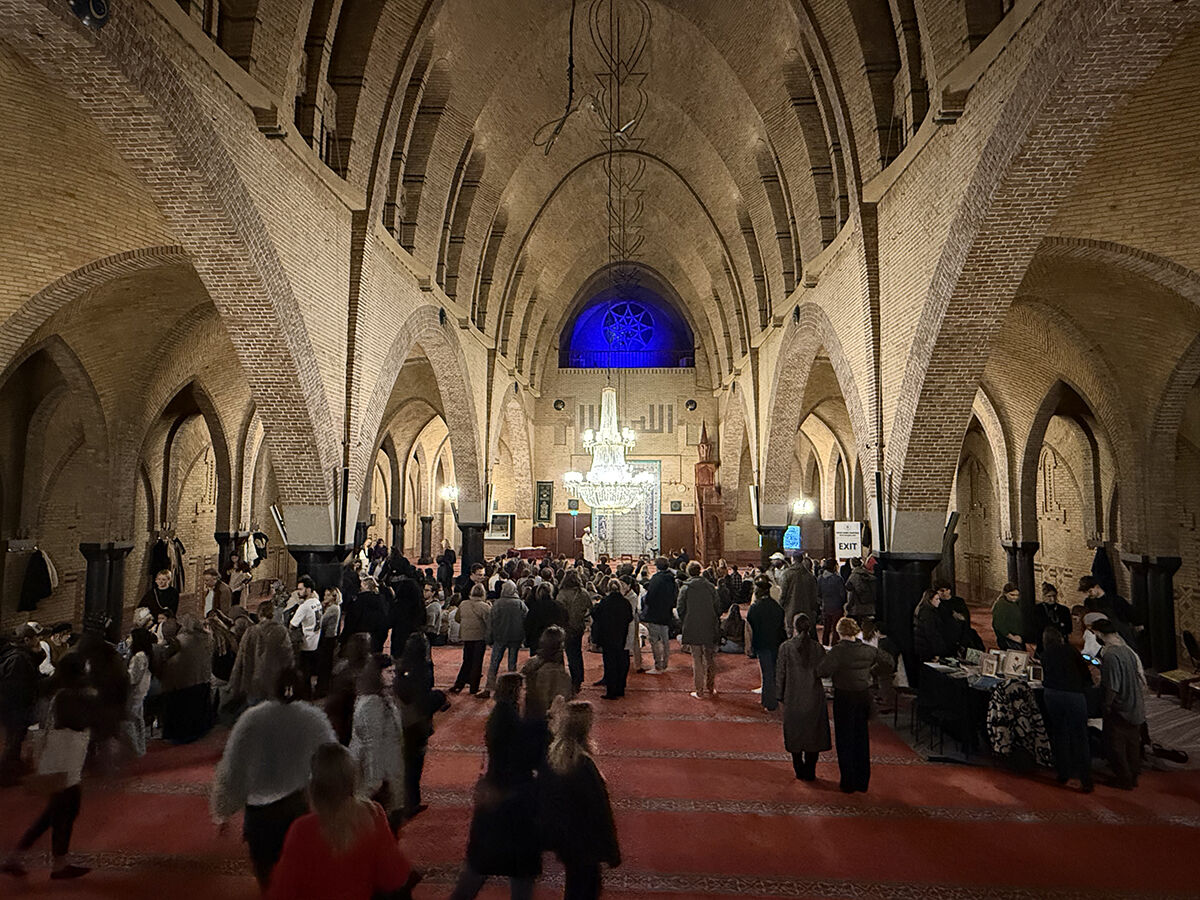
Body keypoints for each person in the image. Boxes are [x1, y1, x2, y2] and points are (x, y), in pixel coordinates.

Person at [212, 668, 337, 888]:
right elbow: (333, 763)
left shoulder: (251, 718)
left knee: (266, 874)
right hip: (299, 807)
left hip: (260, 812)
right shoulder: (314, 719)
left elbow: (234, 765)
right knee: (301, 873)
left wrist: (223, 809)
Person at [267, 742, 417, 900]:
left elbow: (282, 892)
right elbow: (393, 878)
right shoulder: (372, 815)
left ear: (312, 788)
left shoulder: (302, 830)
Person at [2, 653, 94, 880]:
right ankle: (55, 864)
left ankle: (22, 859)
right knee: (62, 811)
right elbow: (75, 723)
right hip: (63, 761)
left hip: (62, 759)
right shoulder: (67, 696)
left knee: (56, 813)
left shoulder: (63, 692)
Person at [450, 672, 541, 900]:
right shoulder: (510, 720)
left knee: (480, 866)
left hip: (499, 799)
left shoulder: (501, 715)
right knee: (517, 869)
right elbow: (526, 754)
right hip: (510, 801)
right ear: (516, 691)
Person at [539, 700, 621, 900]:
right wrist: (611, 850)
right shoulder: (583, 766)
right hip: (585, 843)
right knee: (585, 889)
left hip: (567, 841)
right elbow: (599, 812)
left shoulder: (556, 756)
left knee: (576, 886)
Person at [817, 617, 894, 793]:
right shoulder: (868, 650)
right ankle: (862, 780)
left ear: (840, 632)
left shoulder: (838, 651)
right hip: (863, 695)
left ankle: (848, 782)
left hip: (845, 696)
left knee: (845, 739)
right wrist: (871, 673)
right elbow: (889, 662)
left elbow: (822, 671)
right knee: (861, 737)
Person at [350, 653, 406, 828]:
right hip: (379, 775)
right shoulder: (371, 703)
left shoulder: (382, 696)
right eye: (388, 672)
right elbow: (371, 744)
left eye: (394, 671)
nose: (393, 675)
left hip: (387, 769)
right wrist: (375, 782)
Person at [395, 631, 444, 819]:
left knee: (408, 761)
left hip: (405, 718)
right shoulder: (423, 668)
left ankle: (408, 799)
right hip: (417, 721)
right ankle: (410, 802)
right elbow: (422, 697)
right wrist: (439, 699)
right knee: (414, 763)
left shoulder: (402, 666)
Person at [776, 614, 830, 780]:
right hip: (814, 696)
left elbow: (781, 674)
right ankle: (810, 771)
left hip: (793, 696)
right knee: (814, 734)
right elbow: (825, 671)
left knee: (795, 734)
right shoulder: (817, 648)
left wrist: (779, 696)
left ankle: (799, 770)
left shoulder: (786, 647)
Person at [1040, 626, 1093, 792]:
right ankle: (1086, 779)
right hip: (1073, 695)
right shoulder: (1070, 650)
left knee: (1059, 734)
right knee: (1080, 736)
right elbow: (1085, 673)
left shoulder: (1045, 654)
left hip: (1052, 695)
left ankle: (1063, 773)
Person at [1094, 619, 1146, 790]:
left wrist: (1106, 705)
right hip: (1135, 703)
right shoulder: (1127, 651)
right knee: (1133, 743)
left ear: (1100, 634)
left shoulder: (1110, 655)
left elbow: (1112, 686)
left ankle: (1124, 778)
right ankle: (1134, 774)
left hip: (1121, 706)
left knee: (1116, 745)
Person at [228, 601, 294, 708]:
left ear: (259, 614)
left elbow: (240, 659)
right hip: (275, 681)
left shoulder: (251, 631)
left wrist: (235, 683)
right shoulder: (281, 631)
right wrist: (289, 681)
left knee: (255, 714)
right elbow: (288, 658)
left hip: (253, 681)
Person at [159, 614, 214, 743]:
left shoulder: (180, 641)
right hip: (202, 680)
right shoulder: (206, 638)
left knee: (183, 714)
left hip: (182, 683)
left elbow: (167, 660)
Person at [0, 624, 43, 786]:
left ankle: (14, 767)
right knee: (13, 740)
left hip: (14, 706)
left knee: (16, 739)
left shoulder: (19, 654)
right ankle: (6, 775)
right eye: (36, 638)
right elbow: (16, 686)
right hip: (14, 707)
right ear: (27, 639)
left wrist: (38, 652)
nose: (39, 640)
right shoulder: (18, 658)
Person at [678, 561, 721, 699]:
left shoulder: (685, 588)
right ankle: (711, 687)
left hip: (692, 625)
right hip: (709, 624)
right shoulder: (710, 587)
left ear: (689, 572)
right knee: (710, 658)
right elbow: (718, 606)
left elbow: (680, 609)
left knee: (696, 659)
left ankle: (699, 691)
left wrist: (686, 620)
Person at [480, 581, 527, 699]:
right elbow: (526, 621)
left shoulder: (498, 604)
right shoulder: (520, 604)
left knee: (494, 663)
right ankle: (512, 690)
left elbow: (491, 622)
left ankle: (488, 689)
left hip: (500, 637)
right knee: (512, 664)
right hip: (515, 638)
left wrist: (489, 638)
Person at [747, 577, 786, 711]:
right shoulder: (777, 607)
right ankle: (774, 697)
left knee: (767, 673)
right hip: (775, 642)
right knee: (774, 671)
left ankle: (769, 702)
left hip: (762, 644)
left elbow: (750, 626)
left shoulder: (755, 608)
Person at [591, 578, 634, 699]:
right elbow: (630, 618)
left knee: (610, 664)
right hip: (621, 635)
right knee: (622, 662)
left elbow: (596, 615)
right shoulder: (625, 602)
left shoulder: (605, 602)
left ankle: (611, 691)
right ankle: (620, 688)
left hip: (608, 636)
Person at [522, 625, 573, 723]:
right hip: (553, 718)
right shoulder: (563, 672)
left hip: (532, 713)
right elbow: (565, 697)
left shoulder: (531, 664)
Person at [452, 584, 492, 695]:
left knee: (466, 660)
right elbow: (490, 622)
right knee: (477, 662)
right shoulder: (485, 607)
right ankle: (474, 687)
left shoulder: (463, 604)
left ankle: (459, 684)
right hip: (479, 637)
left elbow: (457, 618)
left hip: (466, 636)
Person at [558, 568, 593, 691]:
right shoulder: (583, 593)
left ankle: (571, 680)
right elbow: (590, 608)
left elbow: (559, 610)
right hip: (579, 626)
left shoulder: (562, 593)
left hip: (567, 627)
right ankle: (578, 679)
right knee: (577, 653)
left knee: (568, 653)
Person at [641, 557, 677, 674]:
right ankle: (665, 664)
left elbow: (650, 597)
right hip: (666, 613)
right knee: (665, 640)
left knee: (655, 640)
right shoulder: (672, 579)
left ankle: (658, 666)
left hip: (655, 614)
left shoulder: (656, 579)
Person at [124, 627, 155, 757]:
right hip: (141, 691)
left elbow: (132, 678)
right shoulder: (145, 654)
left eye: (130, 637)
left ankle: (134, 749)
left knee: (130, 722)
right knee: (137, 720)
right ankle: (140, 748)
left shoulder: (138, 657)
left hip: (135, 692)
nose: (128, 640)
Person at [289, 578, 323, 687]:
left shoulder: (304, 606)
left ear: (308, 590)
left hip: (306, 644)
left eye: (301, 589)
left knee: (304, 674)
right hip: (316, 641)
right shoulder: (317, 602)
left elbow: (292, 625)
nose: (299, 592)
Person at [343, 576, 390, 653]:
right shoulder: (382, 600)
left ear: (366, 586)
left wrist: (344, 637)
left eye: (361, 586)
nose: (360, 588)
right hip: (378, 636)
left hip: (361, 638)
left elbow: (352, 620)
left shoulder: (359, 600)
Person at [1033, 582, 1073, 656]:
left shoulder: (1064, 610)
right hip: (1043, 644)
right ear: (1043, 596)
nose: (1052, 599)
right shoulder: (1037, 609)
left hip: (1061, 643)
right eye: (1049, 596)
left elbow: (1069, 628)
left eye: (1054, 596)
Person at [316, 587, 342, 697]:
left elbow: (322, 622)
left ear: (333, 597)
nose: (324, 597)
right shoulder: (333, 607)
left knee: (325, 663)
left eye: (327, 595)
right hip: (329, 637)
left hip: (328, 638)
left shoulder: (333, 608)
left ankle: (323, 688)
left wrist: (320, 607)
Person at [913, 589, 951, 663]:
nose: (939, 601)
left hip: (922, 648)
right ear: (930, 600)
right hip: (927, 650)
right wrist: (937, 652)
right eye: (936, 599)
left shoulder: (922, 610)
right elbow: (931, 634)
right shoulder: (928, 614)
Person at [817, 559, 846, 646]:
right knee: (836, 629)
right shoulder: (838, 579)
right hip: (837, 607)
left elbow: (818, 593)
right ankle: (834, 646)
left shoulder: (820, 579)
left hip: (825, 606)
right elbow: (842, 594)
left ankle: (824, 646)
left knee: (826, 628)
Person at [991, 583, 1025, 651]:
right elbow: (998, 624)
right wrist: (1013, 637)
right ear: (1005, 593)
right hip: (1008, 640)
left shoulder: (1013, 603)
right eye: (1012, 595)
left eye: (1017, 595)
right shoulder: (1001, 605)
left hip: (1017, 638)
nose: (1015, 597)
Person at [845, 557, 876, 622]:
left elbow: (851, 593)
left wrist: (848, 606)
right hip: (870, 606)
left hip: (858, 608)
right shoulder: (867, 574)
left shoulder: (854, 576)